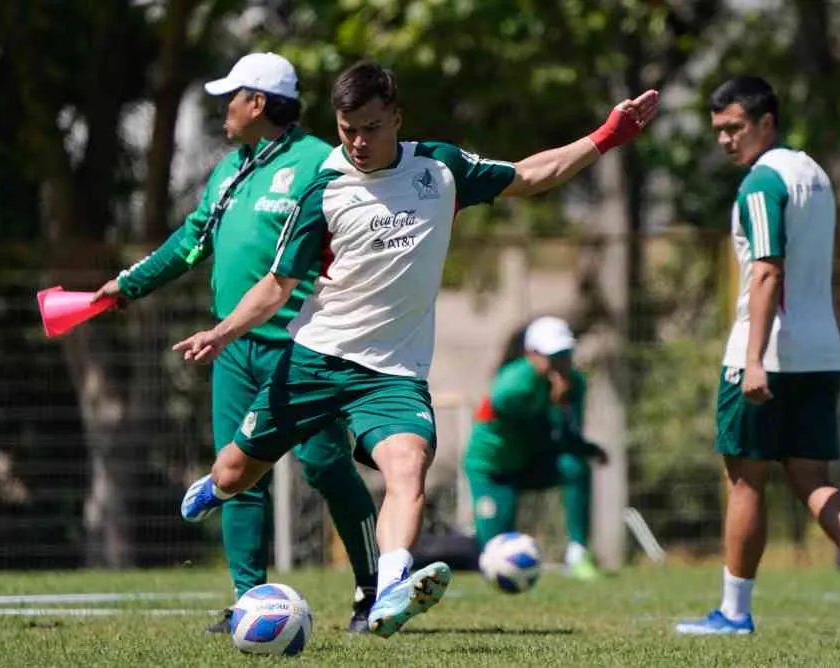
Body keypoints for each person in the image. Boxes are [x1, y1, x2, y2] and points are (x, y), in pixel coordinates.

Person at [174, 60, 659, 638]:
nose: (357, 140)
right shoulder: (324, 189)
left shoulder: (441, 167)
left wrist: (608, 136)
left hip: (393, 372)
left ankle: (390, 590)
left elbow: (533, 175)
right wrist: (222, 331)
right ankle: (215, 484)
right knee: (234, 473)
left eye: (371, 127)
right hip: (314, 358)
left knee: (408, 469)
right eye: (347, 127)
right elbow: (277, 286)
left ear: (397, 119)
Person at [91, 52, 379, 634]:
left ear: (259, 103)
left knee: (325, 465)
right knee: (234, 475)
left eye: (233, 97)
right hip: (234, 352)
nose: (224, 108)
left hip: (302, 349)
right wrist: (128, 285)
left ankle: (373, 588)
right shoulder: (230, 169)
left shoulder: (320, 162)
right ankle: (249, 599)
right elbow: (191, 241)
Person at [674, 76, 840, 636]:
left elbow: (768, 270)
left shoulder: (760, 184)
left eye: (735, 128)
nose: (726, 140)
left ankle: (734, 612)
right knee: (811, 477)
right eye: (719, 131)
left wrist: (752, 359)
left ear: (766, 122)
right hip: (821, 351)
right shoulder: (814, 174)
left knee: (746, 480)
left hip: (767, 349)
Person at [463, 316, 608, 580]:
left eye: (566, 354)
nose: (562, 362)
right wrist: (554, 405)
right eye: (554, 355)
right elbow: (536, 428)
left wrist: (585, 447)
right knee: (495, 551)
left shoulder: (574, 383)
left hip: (530, 462)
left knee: (574, 466)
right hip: (494, 469)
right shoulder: (511, 386)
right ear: (532, 355)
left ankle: (578, 554)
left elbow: (564, 435)